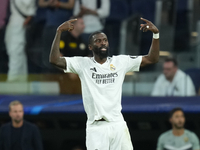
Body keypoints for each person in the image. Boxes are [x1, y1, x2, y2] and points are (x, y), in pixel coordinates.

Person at [49, 18, 160, 149]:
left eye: (105, 40)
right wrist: (59, 32)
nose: (103, 43)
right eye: (98, 41)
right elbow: (54, 60)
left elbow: (152, 58)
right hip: (96, 128)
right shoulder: (83, 64)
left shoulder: (120, 62)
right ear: (90, 47)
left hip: (118, 124)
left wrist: (156, 35)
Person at [38, 0, 75, 72]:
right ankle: (48, 74)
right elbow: (40, 3)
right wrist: (49, 3)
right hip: (49, 25)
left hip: (64, 26)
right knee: (47, 53)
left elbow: (71, 5)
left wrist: (58, 4)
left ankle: (62, 75)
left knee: (63, 52)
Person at [5, 0, 36, 82]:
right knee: (16, 52)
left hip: (19, 22)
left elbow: (29, 5)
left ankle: (12, 79)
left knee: (16, 51)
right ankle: (21, 80)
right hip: (14, 21)